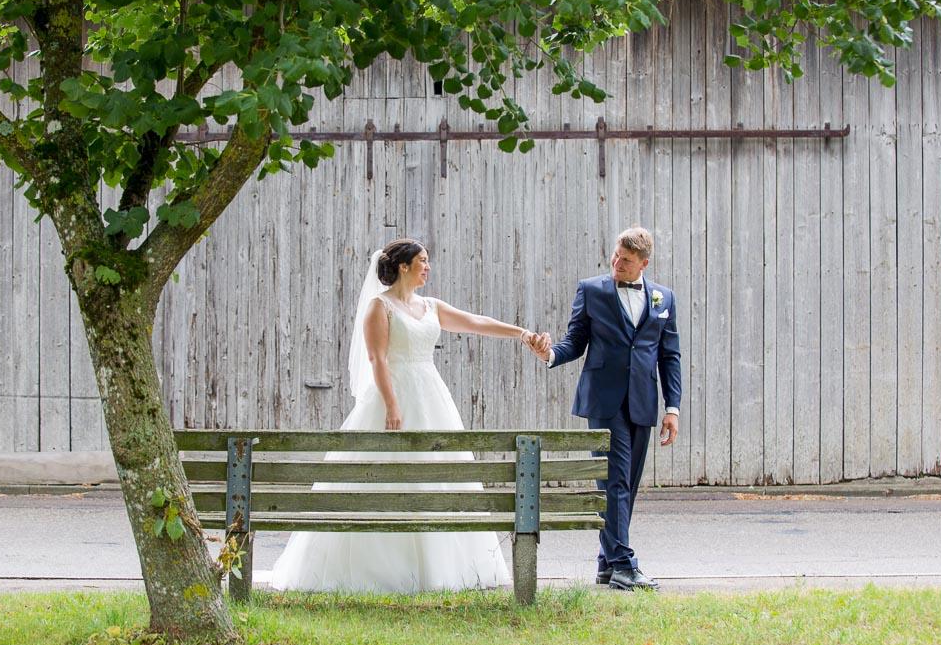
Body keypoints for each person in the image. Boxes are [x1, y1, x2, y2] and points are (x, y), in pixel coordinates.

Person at [270, 238, 544, 592]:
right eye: (423, 261)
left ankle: (443, 567)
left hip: (431, 395)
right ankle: (378, 569)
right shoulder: (379, 307)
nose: (428, 267)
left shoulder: (430, 306)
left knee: (441, 473)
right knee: (385, 473)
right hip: (392, 394)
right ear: (404, 266)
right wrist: (392, 404)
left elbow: (474, 322)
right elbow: (377, 359)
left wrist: (521, 334)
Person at [526, 227, 681, 591]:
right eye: (615, 256)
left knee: (627, 484)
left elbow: (670, 355)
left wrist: (672, 408)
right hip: (603, 400)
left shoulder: (664, 298)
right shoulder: (592, 290)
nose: (616, 264)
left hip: (643, 401)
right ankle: (625, 564)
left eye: (625, 261)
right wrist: (549, 354)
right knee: (613, 482)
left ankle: (606, 564)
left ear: (643, 263)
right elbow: (575, 341)